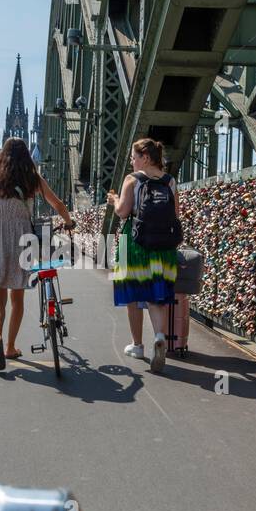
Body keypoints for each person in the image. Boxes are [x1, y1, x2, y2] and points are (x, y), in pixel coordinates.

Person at [0, 136, 74, 371]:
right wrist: (68, 220)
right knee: (17, 298)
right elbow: (57, 203)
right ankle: (10, 346)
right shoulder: (33, 178)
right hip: (23, 239)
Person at [108, 138, 180, 374]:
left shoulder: (133, 179)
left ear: (145, 158)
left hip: (134, 241)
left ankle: (137, 345)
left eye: (134, 157)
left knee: (133, 291)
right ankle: (159, 336)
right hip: (164, 244)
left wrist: (114, 200)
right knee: (156, 295)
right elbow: (175, 216)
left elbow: (122, 213)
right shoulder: (170, 182)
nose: (132, 161)